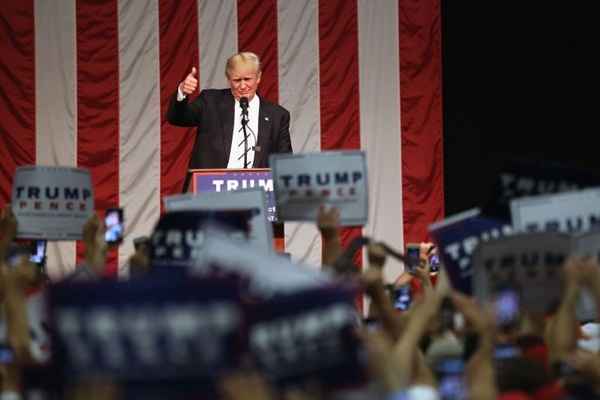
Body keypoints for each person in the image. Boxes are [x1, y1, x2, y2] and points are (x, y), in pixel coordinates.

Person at [167, 52, 293, 181]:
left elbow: (285, 162)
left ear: (258, 77)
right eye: (237, 80)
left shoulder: (277, 115)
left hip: (257, 192)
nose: (243, 86)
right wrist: (182, 92)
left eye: (247, 79)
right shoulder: (210, 102)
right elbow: (177, 117)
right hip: (211, 189)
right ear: (228, 79)